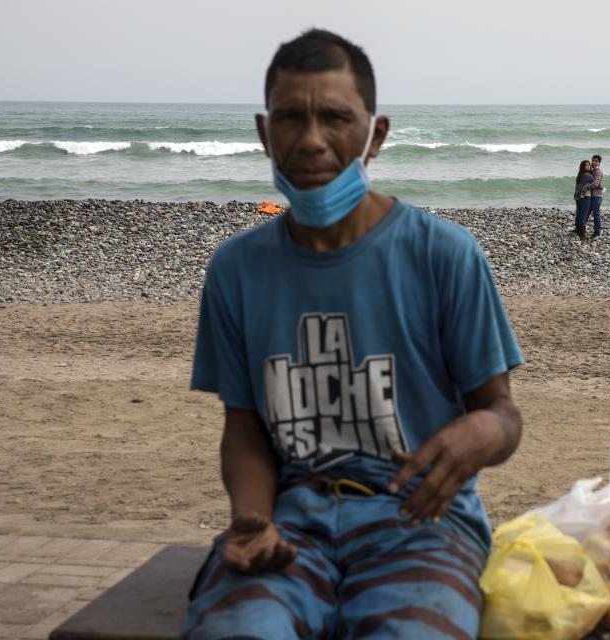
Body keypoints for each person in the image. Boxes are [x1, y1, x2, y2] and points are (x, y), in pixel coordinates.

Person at [180, 28, 525, 640]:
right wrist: (252, 519)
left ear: (376, 133)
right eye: (290, 118)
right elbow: (245, 429)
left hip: (423, 525)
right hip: (293, 528)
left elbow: (501, 414)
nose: (312, 141)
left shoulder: (443, 255)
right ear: (265, 132)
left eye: (336, 117)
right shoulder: (236, 270)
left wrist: (482, 433)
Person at [572, 159, 594, 240]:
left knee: (579, 213)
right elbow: (596, 183)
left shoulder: (580, 175)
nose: (589, 166)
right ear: (583, 167)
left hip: (578, 197)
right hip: (585, 197)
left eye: (589, 165)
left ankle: (577, 230)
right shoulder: (588, 176)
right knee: (583, 215)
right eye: (587, 165)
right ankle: (582, 235)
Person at [586, 154, 605, 238]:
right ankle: (580, 228)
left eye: (596, 161)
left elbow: (595, 184)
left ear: (599, 163)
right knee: (586, 213)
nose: (593, 162)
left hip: (596, 196)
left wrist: (585, 188)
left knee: (596, 214)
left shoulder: (598, 172)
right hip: (592, 195)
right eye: (593, 160)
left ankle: (597, 232)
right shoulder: (592, 171)